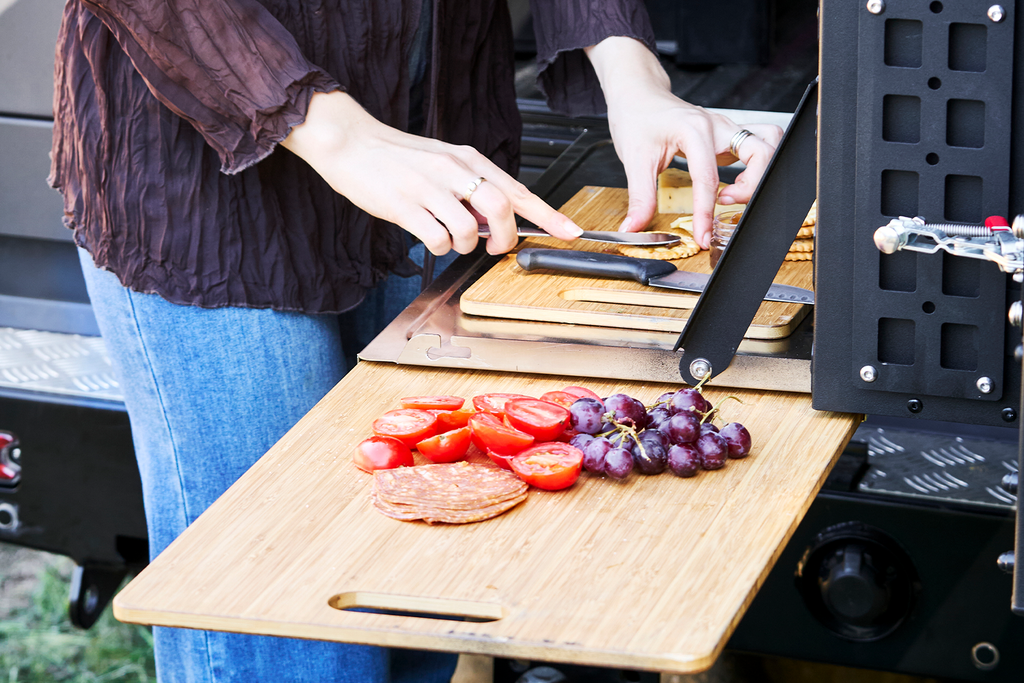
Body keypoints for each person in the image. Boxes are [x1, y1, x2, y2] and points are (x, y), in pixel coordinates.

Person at [50, 1, 782, 681]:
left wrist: (632, 74)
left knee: (421, 594)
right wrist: (328, 126)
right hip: (208, 182)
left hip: (432, 141)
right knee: (291, 627)